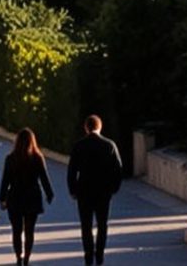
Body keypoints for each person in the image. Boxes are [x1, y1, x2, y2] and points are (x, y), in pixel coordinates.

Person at [66, 113, 127, 266]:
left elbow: (72, 170)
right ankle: (99, 255)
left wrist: (73, 189)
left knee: (86, 225)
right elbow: (118, 169)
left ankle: (88, 256)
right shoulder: (109, 145)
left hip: (84, 191)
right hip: (103, 191)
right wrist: (114, 188)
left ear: (86, 127)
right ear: (100, 127)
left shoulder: (79, 146)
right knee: (102, 224)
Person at [0, 128, 54, 265]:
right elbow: (44, 178)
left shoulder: (11, 159)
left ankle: (19, 257)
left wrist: (2, 198)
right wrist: (49, 194)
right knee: (29, 231)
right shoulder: (37, 158)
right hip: (32, 198)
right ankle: (27, 259)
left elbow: (5, 180)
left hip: (15, 198)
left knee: (16, 231)